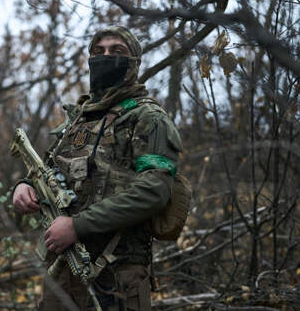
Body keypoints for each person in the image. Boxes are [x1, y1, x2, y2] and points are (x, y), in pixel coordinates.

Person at [12, 26, 182, 310]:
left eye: (117, 51)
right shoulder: (79, 120)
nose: (106, 57)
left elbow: (154, 192)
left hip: (117, 274)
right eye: (98, 52)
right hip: (63, 269)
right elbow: (49, 171)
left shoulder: (147, 117)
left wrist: (78, 226)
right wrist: (23, 187)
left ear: (134, 63)